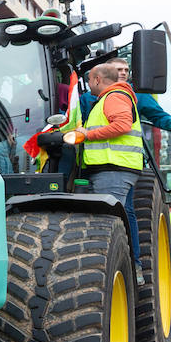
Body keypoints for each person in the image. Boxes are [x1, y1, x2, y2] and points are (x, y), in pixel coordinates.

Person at [63, 62, 142, 270]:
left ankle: (112, 270)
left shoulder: (114, 96)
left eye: (89, 80)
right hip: (111, 169)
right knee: (107, 222)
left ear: (97, 79)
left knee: (107, 224)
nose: (89, 85)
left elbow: (122, 125)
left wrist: (86, 134)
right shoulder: (110, 98)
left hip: (114, 169)